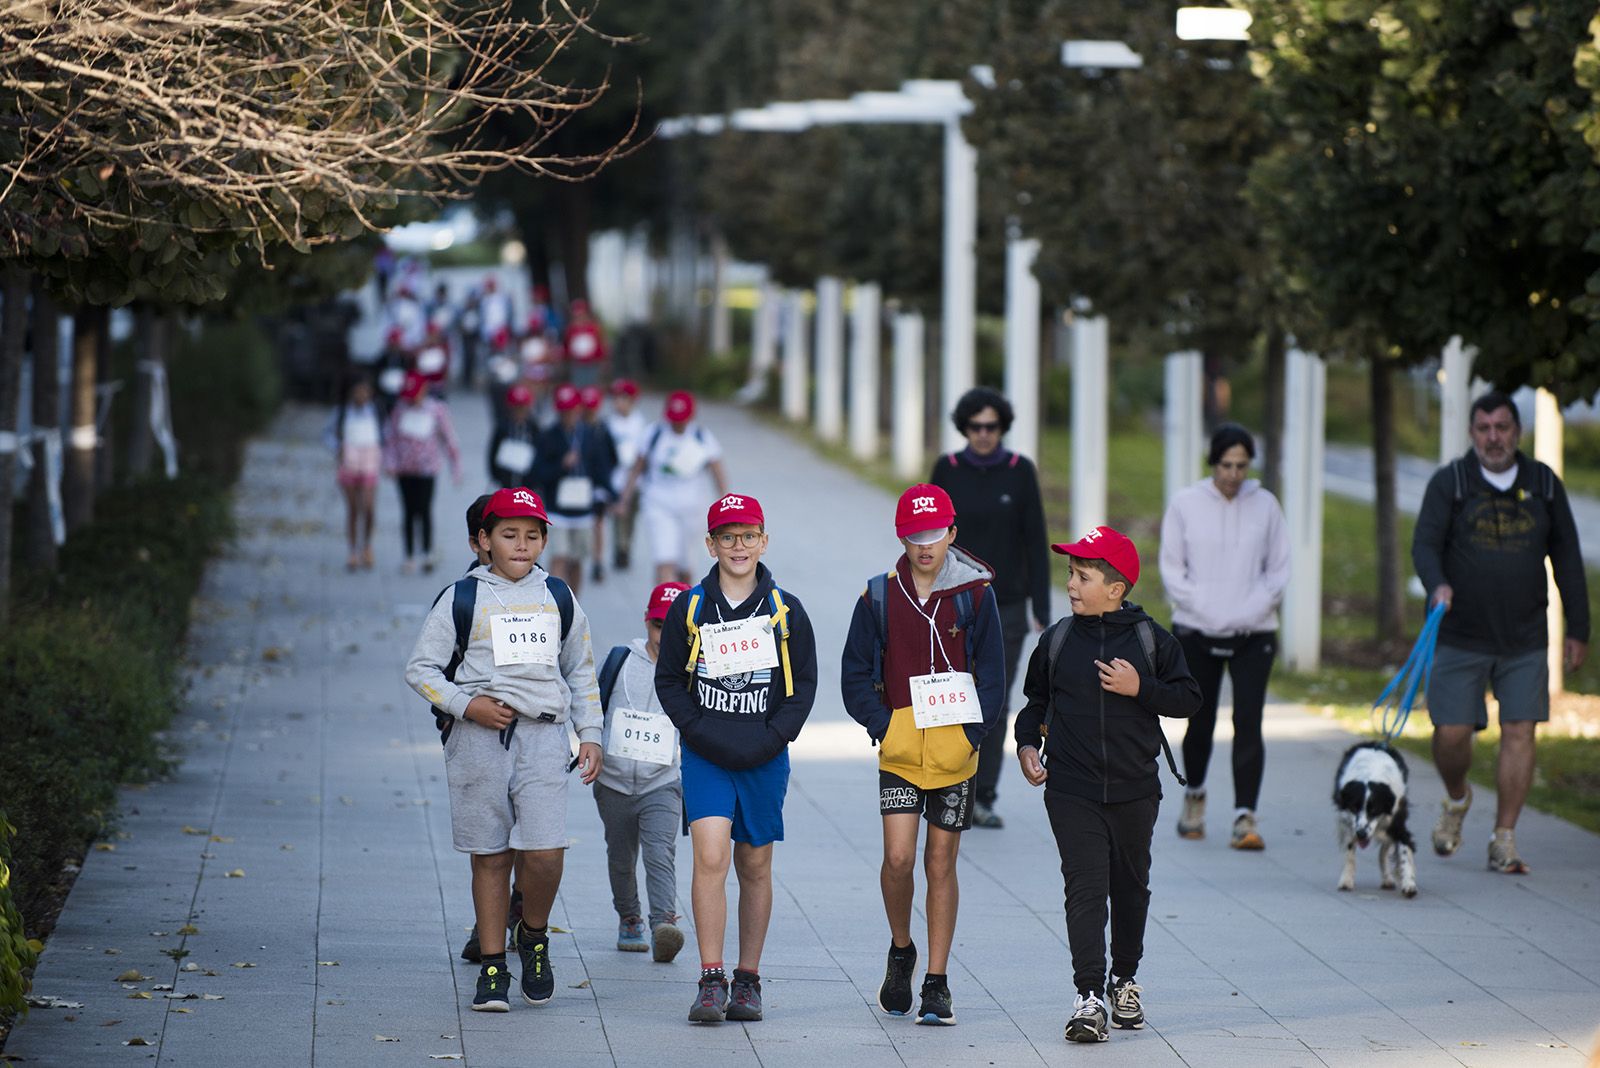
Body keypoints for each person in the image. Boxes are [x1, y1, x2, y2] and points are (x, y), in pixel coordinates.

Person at [404, 487, 604, 1012]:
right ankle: (492, 968)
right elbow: (420, 670)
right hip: (477, 741)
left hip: (543, 738)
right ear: (482, 541)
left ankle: (533, 935)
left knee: (544, 851)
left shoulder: (558, 595)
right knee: (490, 855)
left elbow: (580, 669)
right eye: (508, 534)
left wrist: (591, 734)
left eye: (532, 535)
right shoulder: (460, 598)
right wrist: (466, 706)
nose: (521, 544)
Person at [1014, 526, 1200, 1044]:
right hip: (1071, 788)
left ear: (1116, 588)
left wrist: (1142, 688)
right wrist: (1028, 747)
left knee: (1131, 886)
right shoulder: (1057, 640)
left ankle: (1125, 979)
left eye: (1083, 575)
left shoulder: (1150, 640)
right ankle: (1089, 995)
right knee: (1086, 888)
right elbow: (1033, 705)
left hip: (1136, 789)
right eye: (1070, 573)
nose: (1071, 584)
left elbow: (1189, 699)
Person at [839, 484, 1005, 1026]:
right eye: (914, 535)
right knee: (898, 859)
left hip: (955, 753)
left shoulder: (976, 595)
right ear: (901, 538)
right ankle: (901, 948)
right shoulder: (879, 597)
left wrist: (970, 737)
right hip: (901, 748)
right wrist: (884, 726)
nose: (925, 545)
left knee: (940, 861)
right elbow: (855, 674)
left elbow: (994, 677)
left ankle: (936, 980)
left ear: (952, 534)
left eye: (934, 534)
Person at [654, 493, 817, 1024]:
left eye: (748, 536)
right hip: (707, 754)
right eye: (727, 537)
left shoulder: (785, 611)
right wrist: (698, 730)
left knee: (754, 864)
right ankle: (710, 978)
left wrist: (774, 737)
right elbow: (670, 680)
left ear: (764, 541)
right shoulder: (692, 607)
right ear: (711, 544)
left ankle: (747, 979)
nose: (738, 546)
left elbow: (804, 685)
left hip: (764, 755)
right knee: (709, 857)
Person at [1411, 391, 1589, 874]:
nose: (1494, 437)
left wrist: (1580, 628)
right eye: (1485, 428)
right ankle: (1456, 799)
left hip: (1524, 636)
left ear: (1518, 432)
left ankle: (1504, 838)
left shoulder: (1544, 485)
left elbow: (1569, 558)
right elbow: (1425, 545)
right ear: (1472, 434)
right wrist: (1437, 584)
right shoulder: (1451, 482)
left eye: (1503, 427)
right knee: (1449, 735)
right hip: (1459, 634)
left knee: (1519, 731)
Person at [1158, 424, 1290, 849]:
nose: (1233, 474)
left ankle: (1244, 815)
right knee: (1200, 718)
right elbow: (1172, 569)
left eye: (1241, 466)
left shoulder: (1266, 505)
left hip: (1254, 631)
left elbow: (1278, 570)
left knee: (1248, 720)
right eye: (1226, 465)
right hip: (1197, 629)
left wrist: (1250, 609)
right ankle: (1194, 796)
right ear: (1213, 463)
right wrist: (1207, 609)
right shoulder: (1185, 504)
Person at [930, 387, 1050, 829]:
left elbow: (1035, 539)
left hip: (1009, 603)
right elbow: (929, 534)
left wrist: (1041, 603)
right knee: (954, 692)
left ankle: (984, 795)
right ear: (965, 427)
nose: (983, 434)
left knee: (994, 698)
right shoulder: (948, 468)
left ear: (1002, 428)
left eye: (992, 427)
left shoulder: (1020, 472)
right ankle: (949, 785)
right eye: (976, 426)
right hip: (953, 600)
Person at [594, 581, 691, 963]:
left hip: (662, 782)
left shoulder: (694, 670)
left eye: (674, 628)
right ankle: (629, 916)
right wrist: (591, 746)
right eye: (657, 626)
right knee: (620, 855)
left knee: (659, 852)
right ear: (646, 622)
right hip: (613, 780)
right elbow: (591, 707)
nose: (664, 636)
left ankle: (663, 923)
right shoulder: (619, 661)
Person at [620, 391, 730, 585]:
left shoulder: (701, 436)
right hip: (658, 504)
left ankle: (686, 610)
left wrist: (725, 503)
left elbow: (717, 470)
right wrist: (625, 499)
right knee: (664, 561)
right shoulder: (654, 433)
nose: (677, 424)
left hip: (692, 508)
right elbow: (636, 467)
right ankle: (663, 611)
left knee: (685, 568)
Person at [382, 372, 462, 574]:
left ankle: (426, 551)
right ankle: (408, 555)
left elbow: (449, 439)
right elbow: (390, 438)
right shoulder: (400, 410)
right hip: (404, 470)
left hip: (427, 470)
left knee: (424, 509)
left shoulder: (436, 410)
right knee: (408, 511)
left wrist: (456, 468)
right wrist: (389, 463)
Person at [536, 384, 611, 596]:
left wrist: (607, 495)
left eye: (572, 410)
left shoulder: (590, 434)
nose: (568, 415)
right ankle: (555, 602)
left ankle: (574, 604)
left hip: (583, 508)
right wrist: (561, 465)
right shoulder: (549, 436)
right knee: (559, 556)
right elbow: (538, 472)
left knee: (577, 559)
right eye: (563, 411)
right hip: (557, 508)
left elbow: (601, 467)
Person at [325, 373, 383, 571]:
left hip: (369, 462)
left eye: (365, 391)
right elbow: (327, 434)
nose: (361, 395)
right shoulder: (342, 412)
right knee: (353, 509)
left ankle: (366, 544)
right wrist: (337, 447)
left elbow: (386, 433)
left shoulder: (376, 411)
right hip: (349, 462)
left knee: (368, 507)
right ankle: (352, 550)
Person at [605, 379, 649, 571]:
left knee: (631, 516)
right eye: (616, 398)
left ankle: (627, 546)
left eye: (623, 399)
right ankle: (619, 547)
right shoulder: (608, 424)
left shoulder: (640, 424)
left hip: (635, 479)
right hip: (616, 477)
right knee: (618, 515)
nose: (618, 403)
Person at [578, 385, 619, 583]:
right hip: (578, 485)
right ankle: (580, 556)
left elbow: (612, 457)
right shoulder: (576, 429)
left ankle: (597, 560)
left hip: (598, 485)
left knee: (598, 523)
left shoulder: (602, 429)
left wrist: (608, 485)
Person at [489, 384, 541, 489]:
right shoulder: (503, 428)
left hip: (527, 484)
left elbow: (540, 453)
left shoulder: (534, 429)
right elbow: (493, 454)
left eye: (522, 407)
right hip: (506, 482)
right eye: (516, 408)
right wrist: (498, 477)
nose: (519, 412)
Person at [564, 298, 608, 387]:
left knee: (593, 386)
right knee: (579, 386)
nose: (579, 317)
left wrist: (603, 359)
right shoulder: (570, 330)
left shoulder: (593, 328)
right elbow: (567, 347)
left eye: (581, 314)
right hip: (577, 364)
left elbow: (600, 344)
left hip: (592, 363)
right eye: (576, 314)